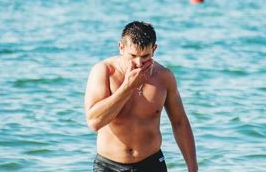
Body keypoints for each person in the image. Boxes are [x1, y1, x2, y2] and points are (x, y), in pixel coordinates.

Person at [85, 21, 198, 172]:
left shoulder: (164, 77)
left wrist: (193, 167)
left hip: (151, 163)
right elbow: (94, 122)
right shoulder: (104, 71)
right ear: (121, 47)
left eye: (145, 56)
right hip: (109, 165)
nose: (139, 63)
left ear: (154, 49)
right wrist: (127, 87)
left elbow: (180, 122)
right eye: (133, 56)